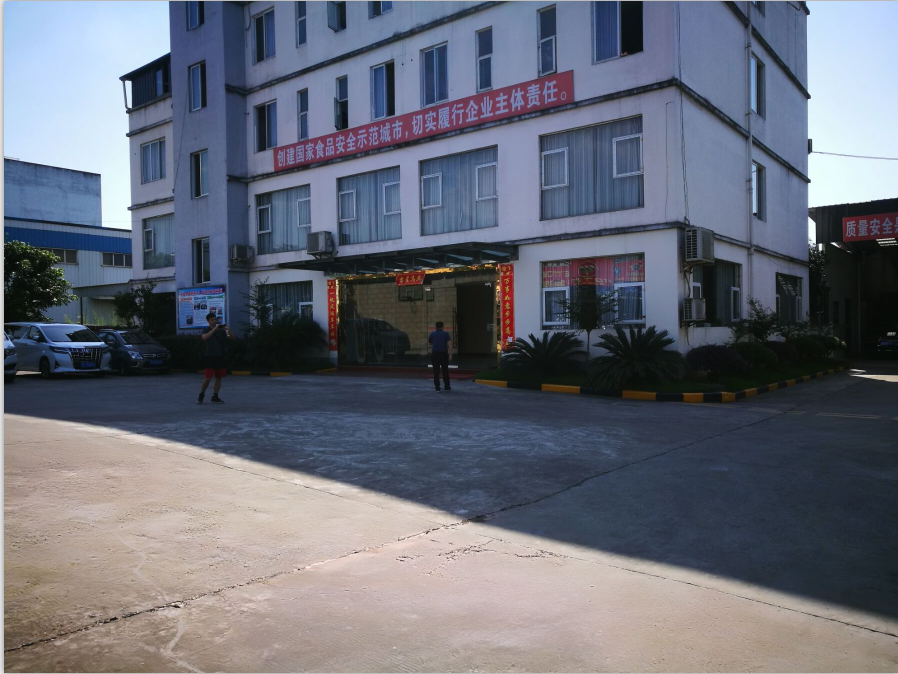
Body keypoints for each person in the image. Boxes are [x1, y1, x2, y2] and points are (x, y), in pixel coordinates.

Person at [198, 312, 235, 404]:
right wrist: (214, 329)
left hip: (220, 356)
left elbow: (231, 337)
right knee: (208, 377)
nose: (214, 321)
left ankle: (215, 396)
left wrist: (227, 329)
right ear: (208, 321)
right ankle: (201, 394)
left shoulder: (221, 331)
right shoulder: (206, 330)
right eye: (212, 320)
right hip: (210, 356)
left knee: (219, 377)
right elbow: (204, 338)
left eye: (215, 319)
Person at [428, 321, 452, 392]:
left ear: (436, 327)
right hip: (443, 354)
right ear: (442, 326)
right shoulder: (446, 334)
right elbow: (449, 344)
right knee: (445, 371)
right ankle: (447, 386)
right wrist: (450, 354)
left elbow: (430, 343)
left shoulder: (432, 334)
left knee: (436, 371)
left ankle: (437, 387)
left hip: (435, 354)